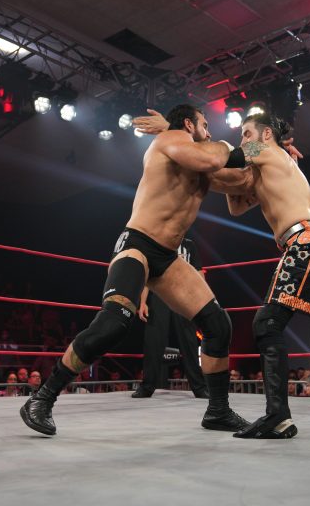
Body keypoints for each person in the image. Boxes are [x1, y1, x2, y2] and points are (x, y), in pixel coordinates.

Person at [133, 111, 310, 438]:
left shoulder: (265, 150)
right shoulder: (270, 166)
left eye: (247, 133)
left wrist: (174, 133)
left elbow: (221, 158)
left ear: (266, 134)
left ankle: (278, 417)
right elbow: (235, 204)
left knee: (267, 323)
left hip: (304, 244)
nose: (243, 139)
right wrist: (199, 166)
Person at [20, 104, 254, 436]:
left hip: (168, 257)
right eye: (205, 123)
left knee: (218, 325)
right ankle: (42, 398)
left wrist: (272, 155)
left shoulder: (200, 161)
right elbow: (215, 158)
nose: (210, 130)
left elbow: (240, 181)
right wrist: (235, 148)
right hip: (138, 245)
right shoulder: (171, 141)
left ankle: (218, 410)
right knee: (113, 324)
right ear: (189, 125)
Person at [132, 236, 208, 399]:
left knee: (189, 340)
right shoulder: (159, 243)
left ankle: (199, 387)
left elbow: (199, 272)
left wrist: (203, 299)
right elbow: (149, 275)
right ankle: (147, 386)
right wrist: (143, 302)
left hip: (184, 295)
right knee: (153, 339)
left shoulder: (189, 245)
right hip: (160, 294)